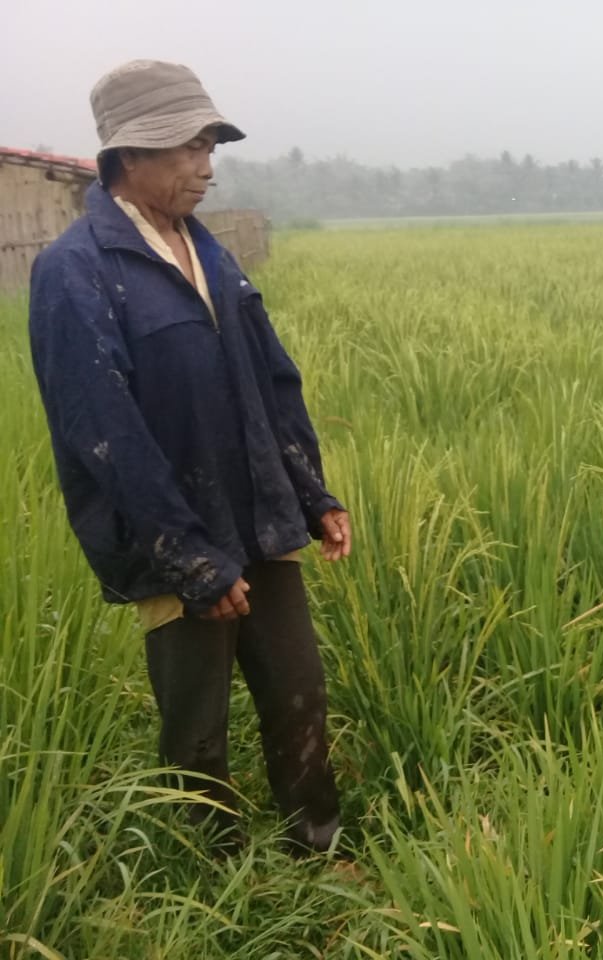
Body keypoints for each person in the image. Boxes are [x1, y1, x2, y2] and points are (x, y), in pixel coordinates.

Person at [28, 60, 351, 856]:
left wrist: (313, 494)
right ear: (127, 157)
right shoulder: (77, 271)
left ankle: (317, 841)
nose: (205, 165)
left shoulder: (211, 252)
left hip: (262, 517)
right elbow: (103, 431)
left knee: (299, 691)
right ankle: (216, 874)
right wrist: (190, 559)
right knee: (197, 723)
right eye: (186, 147)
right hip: (172, 538)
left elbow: (272, 383)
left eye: (210, 144)